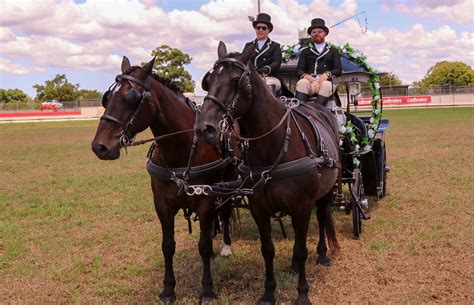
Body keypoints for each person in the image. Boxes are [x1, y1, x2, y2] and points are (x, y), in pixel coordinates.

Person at [295, 18, 342, 105]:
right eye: (314, 32)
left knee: (326, 85)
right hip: (310, 83)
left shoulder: (333, 51)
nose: (317, 34)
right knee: (302, 82)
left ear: (325, 34)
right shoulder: (305, 51)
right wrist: (305, 75)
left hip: (324, 82)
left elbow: (338, 70)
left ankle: (317, 112)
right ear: (311, 35)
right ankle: (299, 111)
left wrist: (327, 74)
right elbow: (299, 70)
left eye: (319, 32)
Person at [244, 13, 282, 96]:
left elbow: (277, 62)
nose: (260, 30)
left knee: (267, 84)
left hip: (269, 76)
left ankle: (270, 108)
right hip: (251, 76)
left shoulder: (275, 46)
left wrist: (265, 69)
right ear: (255, 29)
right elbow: (243, 61)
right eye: (258, 28)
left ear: (268, 30)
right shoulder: (248, 45)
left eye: (264, 28)